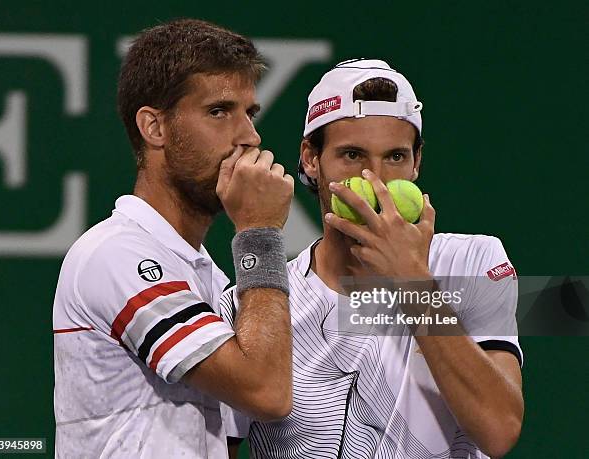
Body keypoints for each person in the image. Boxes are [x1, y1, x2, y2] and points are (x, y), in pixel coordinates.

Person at [221, 59, 524, 458]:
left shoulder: (473, 262)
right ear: (311, 159)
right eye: (352, 155)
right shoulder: (259, 304)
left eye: (395, 157)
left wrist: (413, 281)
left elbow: (499, 430)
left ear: (417, 163)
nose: (374, 179)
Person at [52, 19, 294, 458]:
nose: (249, 137)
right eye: (219, 111)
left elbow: (240, 431)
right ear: (154, 128)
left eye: (250, 113)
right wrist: (259, 233)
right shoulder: (115, 253)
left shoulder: (207, 278)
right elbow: (266, 392)